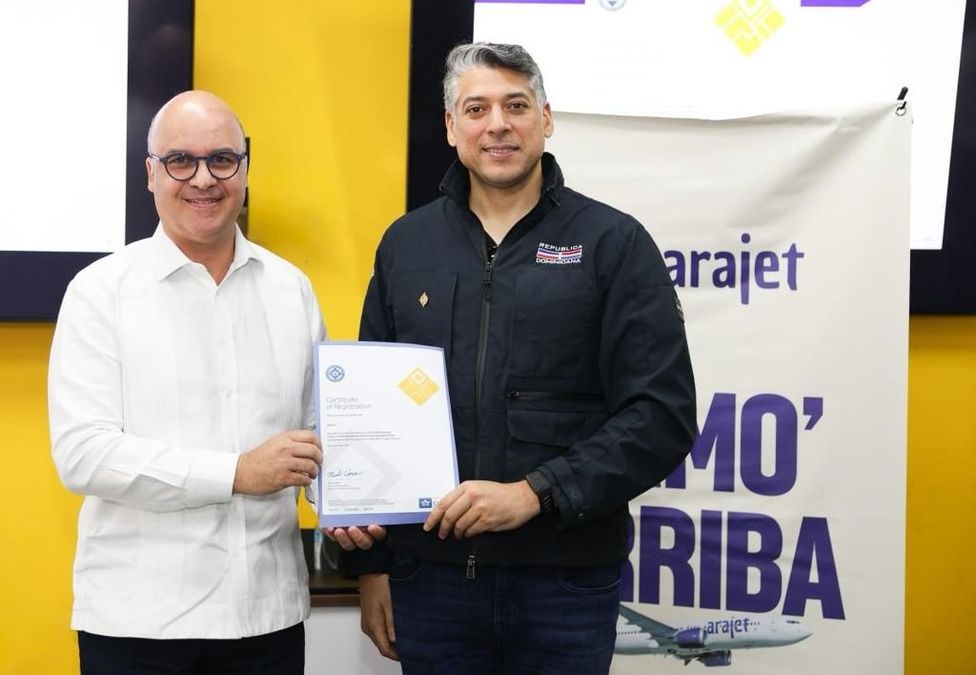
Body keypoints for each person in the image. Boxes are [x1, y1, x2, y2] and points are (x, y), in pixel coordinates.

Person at [326, 43, 697, 674]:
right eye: (477, 107)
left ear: (546, 119)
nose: (497, 123)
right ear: (451, 127)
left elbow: (661, 415)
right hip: (430, 584)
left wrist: (535, 494)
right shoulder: (406, 245)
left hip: (566, 585)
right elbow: (370, 413)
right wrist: (370, 569)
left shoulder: (615, 243)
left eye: (515, 105)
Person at [48, 91, 325, 675]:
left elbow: (317, 437)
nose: (203, 179)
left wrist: (355, 504)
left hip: (268, 621)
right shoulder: (100, 292)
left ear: (245, 171)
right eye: (181, 161)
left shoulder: (291, 290)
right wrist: (237, 473)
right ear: (151, 174)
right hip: (142, 628)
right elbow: (84, 455)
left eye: (222, 159)